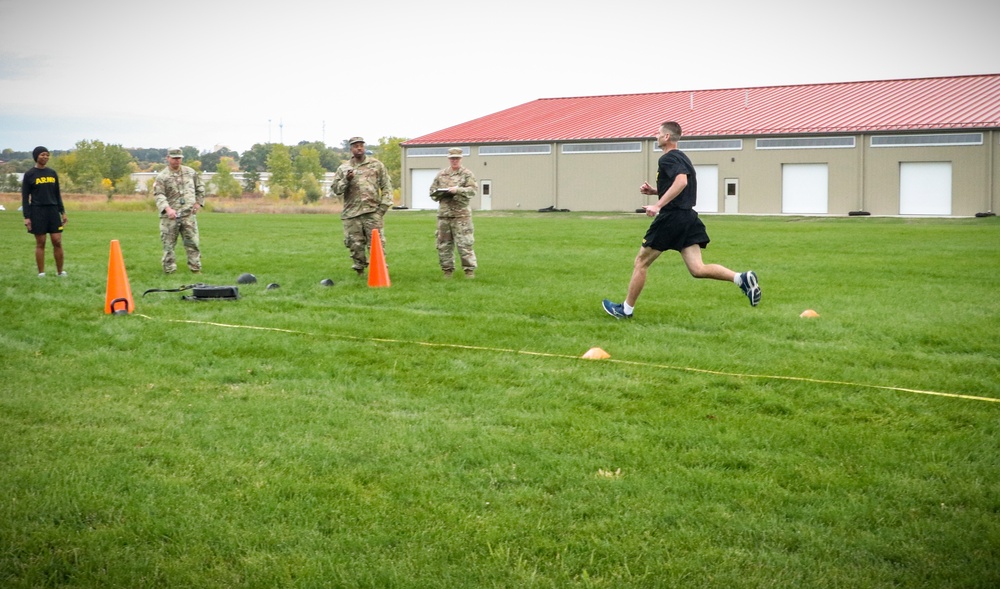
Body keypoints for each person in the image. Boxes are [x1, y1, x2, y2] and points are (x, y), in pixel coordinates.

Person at [602, 121, 760, 319]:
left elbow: (682, 182)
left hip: (672, 218)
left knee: (641, 262)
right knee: (697, 269)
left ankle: (625, 310)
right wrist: (655, 191)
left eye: (659, 133)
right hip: (688, 218)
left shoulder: (667, 159)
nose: (656, 135)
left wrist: (658, 206)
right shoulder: (683, 157)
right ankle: (740, 279)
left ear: (667, 137)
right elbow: (680, 185)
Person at [331, 137, 393, 275]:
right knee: (355, 244)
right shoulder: (344, 168)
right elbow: (336, 189)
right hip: (352, 213)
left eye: (361, 146)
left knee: (377, 244)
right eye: (355, 146)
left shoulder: (376, 165)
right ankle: (359, 270)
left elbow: (386, 186)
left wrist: (383, 207)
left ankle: (379, 271)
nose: (359, 148)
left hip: (372, 211)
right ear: (351, 149)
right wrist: (346, 180)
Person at [153, 147, 206, 274]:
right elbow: (159, 195)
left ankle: (195, 268)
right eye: (174, 158)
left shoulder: (190, 172)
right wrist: (168, 209)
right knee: (169, 245)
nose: (177, 161)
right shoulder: (162, 176)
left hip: (188, 215)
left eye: (179, 158)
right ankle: (170, 270)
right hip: (170, 216)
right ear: (168, 158)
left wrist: (199, 202)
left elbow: (200, 187)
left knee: (193, 243)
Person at [429, 147, 478, 278]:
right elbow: (432, 192)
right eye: (452, 159)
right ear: (449, 159)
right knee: (444, 245)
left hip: (461, 215)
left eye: (456, 158)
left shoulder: (467, 174)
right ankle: (447, 271)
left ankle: (469, 271)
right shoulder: (441, 174)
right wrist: (440, 193)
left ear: (460, 159)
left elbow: (473, 190)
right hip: (444, 215)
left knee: (465, 243)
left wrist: (458, 190)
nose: (454, 161)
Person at [22, 146, 67, 277]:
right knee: (41, 242)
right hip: (37, 211)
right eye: (42, 155)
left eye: (47, 155)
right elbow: (25, 197)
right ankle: (41, 273)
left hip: (53, 211)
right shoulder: (30, 174)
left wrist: (62, 212)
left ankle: (60, 272)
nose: (45, 157)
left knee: (57, 241)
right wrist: (27, 216)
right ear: (36, 157)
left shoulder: (52, 173)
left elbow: (57, 194)